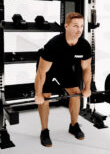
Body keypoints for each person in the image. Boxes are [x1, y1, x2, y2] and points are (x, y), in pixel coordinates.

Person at [34, 12, 92, 147]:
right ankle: (44, 131)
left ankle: (73, 125)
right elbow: (41, 72)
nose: (79, 30)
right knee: (45, 96)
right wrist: (38, 93)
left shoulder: (84, 45)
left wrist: (87, 87)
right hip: (48, 69)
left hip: (64, 68)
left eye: (82, 26)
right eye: (75, 26)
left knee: (76, 93)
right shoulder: (54, 44)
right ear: (66, 26)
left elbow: (86, 68)